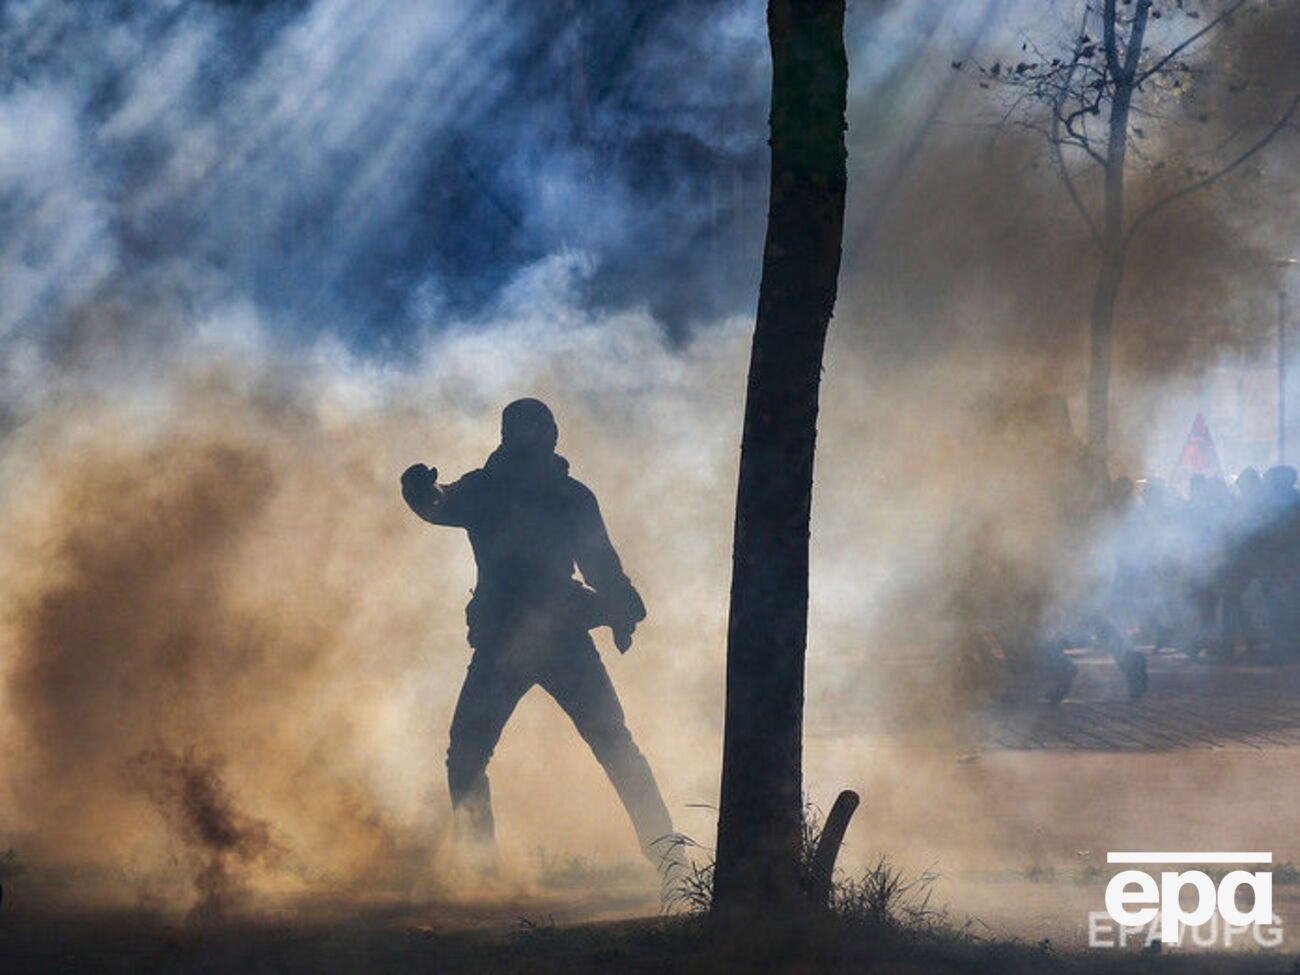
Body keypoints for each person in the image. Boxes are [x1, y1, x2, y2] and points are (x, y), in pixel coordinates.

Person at [401, 398, 674, 870]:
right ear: (512, 435)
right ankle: (481, 872)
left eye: (539, 429)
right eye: (527, 429)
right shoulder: (490, 490)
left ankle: (670, 860)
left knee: (610, 745)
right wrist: (419, 491)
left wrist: (621, 606)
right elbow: (439, 502)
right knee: (472, 755)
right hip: (513, 643)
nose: (534, 438)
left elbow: (601, 565)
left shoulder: (565, 497)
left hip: (549, 640)